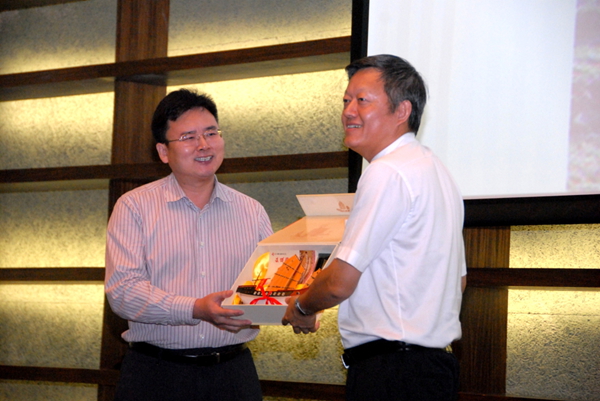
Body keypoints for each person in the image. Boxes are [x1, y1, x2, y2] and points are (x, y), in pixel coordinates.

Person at [282, 54, 467, 401]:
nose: (349, 111)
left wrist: (303, 308)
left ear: (402, 111)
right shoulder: (439, 172)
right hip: (432, 371)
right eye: (346, 101)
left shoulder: (387, 172)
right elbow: (457, 282)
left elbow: (339, 283)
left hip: (393, 374)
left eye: (362, 100)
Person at [105, 88, 273, 401]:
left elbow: (267, 287)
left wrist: (299, 307)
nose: (204, 144)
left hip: (233, 375)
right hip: (156, 375)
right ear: (163, 151)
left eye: (211, 133)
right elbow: (124, 292)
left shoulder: (252, 211)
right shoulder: (134, 207)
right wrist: (195, 308)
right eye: (189, 137)